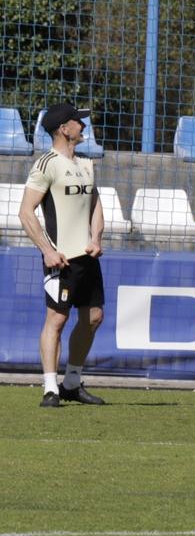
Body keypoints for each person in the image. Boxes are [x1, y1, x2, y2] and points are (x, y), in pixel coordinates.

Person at [20, 103, 106, 408]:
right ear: (63, 129)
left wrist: (96, 238)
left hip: (87, 257)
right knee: (56, 319)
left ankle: (71, 382)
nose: (84, 126)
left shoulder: (86, 164)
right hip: (61, 259)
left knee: (94, 317)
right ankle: (50, 388)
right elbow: (26, 212)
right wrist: (47, 250)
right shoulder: (46, 164)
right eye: (78, 122)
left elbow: (95, 206)